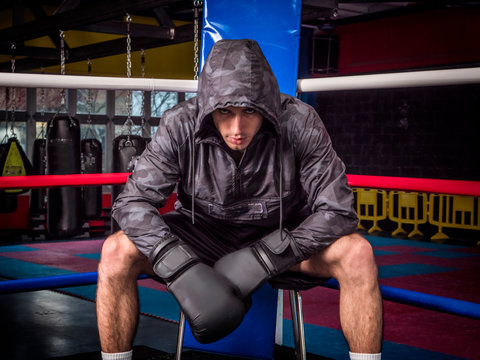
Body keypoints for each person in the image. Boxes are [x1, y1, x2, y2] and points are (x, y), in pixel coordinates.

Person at [96, 39, 383, 360]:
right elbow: (132, 202)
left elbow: (339, 211)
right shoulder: (181, 124)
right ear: (208, 107)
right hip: (200, 237)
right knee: (115, 250)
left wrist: (268, 255)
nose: (237, 127)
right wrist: (177, 264)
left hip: (282, 236)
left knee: (358, 253)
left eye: (249, 111)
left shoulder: (300, 122)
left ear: (267, 106)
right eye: (224, 112)